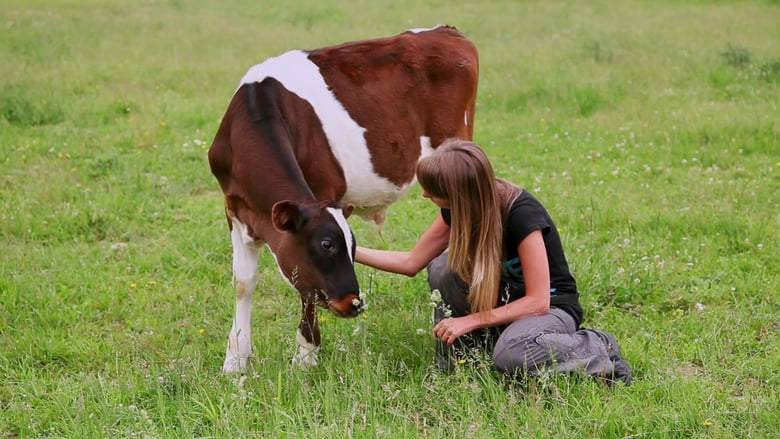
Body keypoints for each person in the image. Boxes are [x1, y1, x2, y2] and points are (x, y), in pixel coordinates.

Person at [355, 138, 632, 385]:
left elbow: (539, 302)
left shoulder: (521, 214)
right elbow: (411, 262)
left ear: (459, 195)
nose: (426, 195)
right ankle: (459, 363)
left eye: (433, 191)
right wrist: (349, 249)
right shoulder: (457, 209)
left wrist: (471, 320)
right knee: (442, 268)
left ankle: (596, 346)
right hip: (503, 303)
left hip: (550, 311)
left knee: (512, 355)